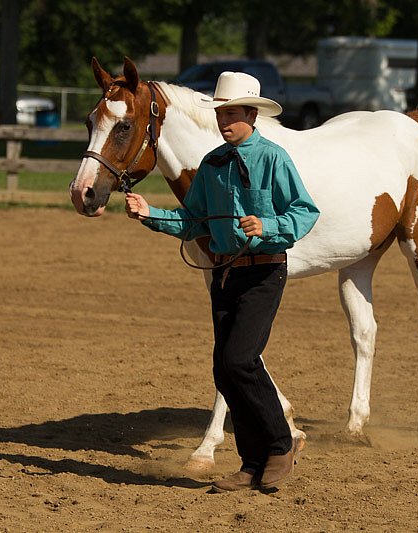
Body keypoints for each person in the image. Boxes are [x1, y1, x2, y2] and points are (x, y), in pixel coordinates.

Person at [125, 71, 320, 492]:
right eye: (221, 113)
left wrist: (267, 225)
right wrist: (150, 214)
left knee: (239, 361)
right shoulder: (212, 165)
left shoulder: (273, 158)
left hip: (265, 271)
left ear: (252, 114)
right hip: (225, 274)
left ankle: (280, 444)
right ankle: (251, 465)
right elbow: (193, 221)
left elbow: (305, 212)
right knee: (225, 370)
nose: (224, 121)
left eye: (232, 113)